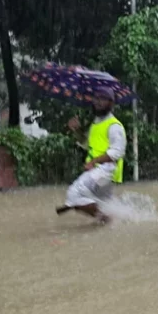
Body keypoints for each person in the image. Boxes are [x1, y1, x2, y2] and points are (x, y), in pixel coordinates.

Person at [56, 87, 126, 223]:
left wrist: (93, 162)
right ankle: (115, 221)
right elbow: (86, 144)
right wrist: (76, 130)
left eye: (102, 99)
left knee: (74, 193)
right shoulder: (96, 124)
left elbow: (117, 152)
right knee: (104, 204)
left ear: (111, 103)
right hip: (99, 172)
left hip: (106, 169)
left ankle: (106, 219)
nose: (98, 102)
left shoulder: (115, 126)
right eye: (96, 98)